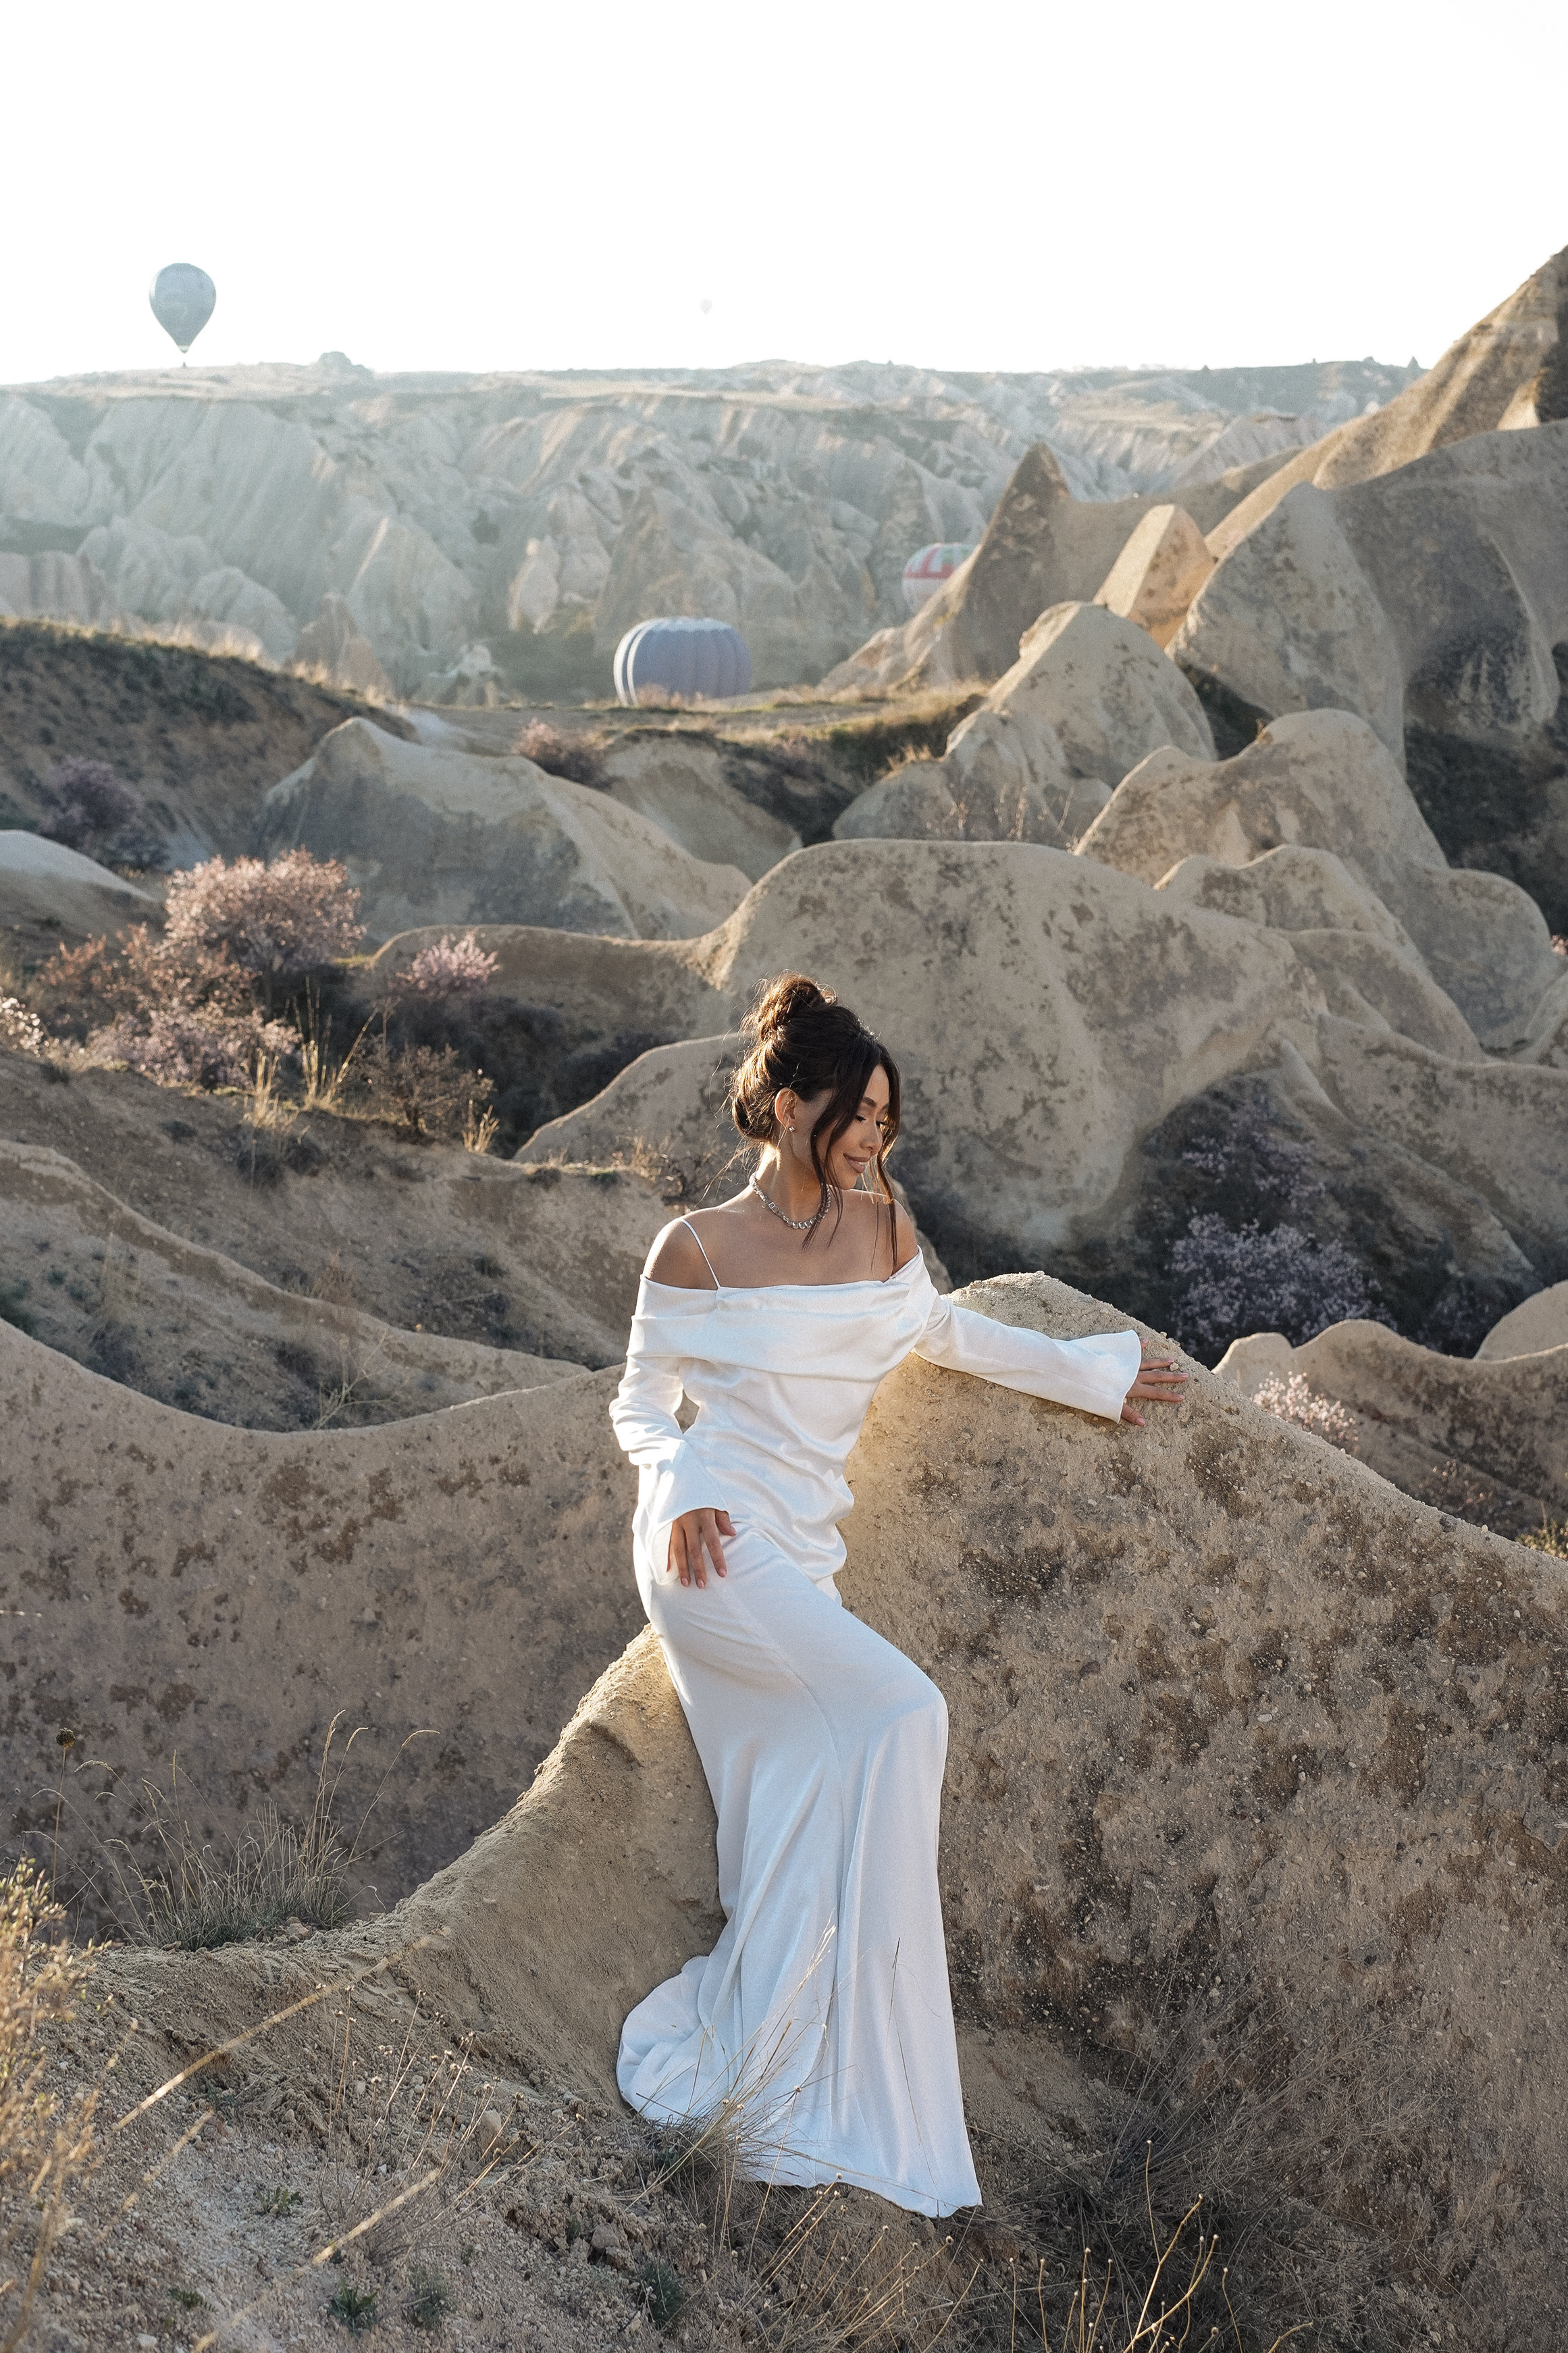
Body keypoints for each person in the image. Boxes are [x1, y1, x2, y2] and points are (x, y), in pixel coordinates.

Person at [608, 974, 1186, 2217]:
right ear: (783, 1101)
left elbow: (943, 1336)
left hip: (800, 1556)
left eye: (885, 1117)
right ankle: (812, 2051)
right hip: (710, 1548)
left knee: (825, 1792)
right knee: (905, 1716)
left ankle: (805, 2050)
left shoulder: (880, 1227)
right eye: (854, 1113)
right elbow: (639, 1404)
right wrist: (689, 1476)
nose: (873, 1137)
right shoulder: (696, 1244)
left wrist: (1092, 1375)